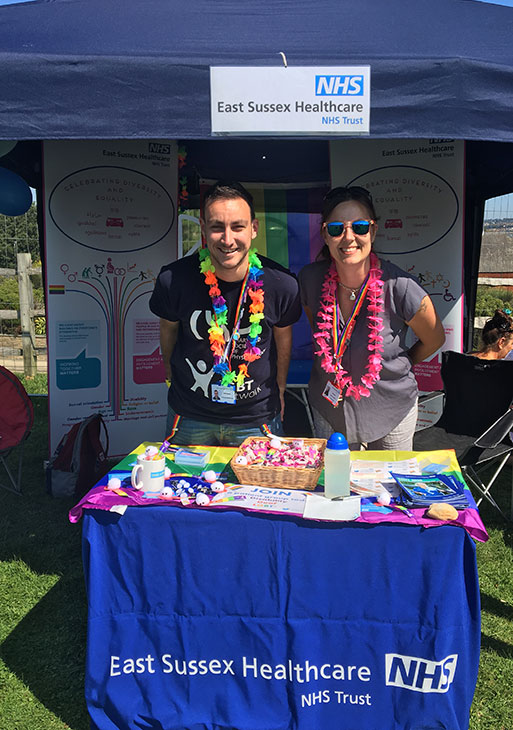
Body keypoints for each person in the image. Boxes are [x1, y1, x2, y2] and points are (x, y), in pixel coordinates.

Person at [149, 181, 302, 446]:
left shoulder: (282, 284)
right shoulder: (173, 280)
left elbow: (283, 344)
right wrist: (169, 376)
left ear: (254, 229)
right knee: (182, 486)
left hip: (257, 418)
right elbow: (168, 333)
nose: (228, 239)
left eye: (238, 227)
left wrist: (279, 390)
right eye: (217, 226)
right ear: (204, 228)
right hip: (189, 415)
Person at [298, 186, 445, 450]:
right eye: (336, 229)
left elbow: (434, 338)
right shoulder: (310, 279)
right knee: (336, 486)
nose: (348, 237)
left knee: (388, 487)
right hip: (330, 408)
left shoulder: (400, 285)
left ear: (373, 231)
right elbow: (317, 327)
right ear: (325, 234)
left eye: (360, 227)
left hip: (391, 410)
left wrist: (400, 363)